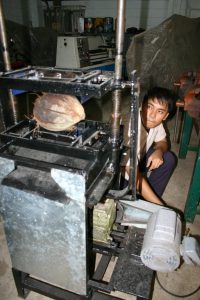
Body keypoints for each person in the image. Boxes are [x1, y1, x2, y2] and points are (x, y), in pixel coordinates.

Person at [122, 86, 177, 205]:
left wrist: (159, 151)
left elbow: (162, 141)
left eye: (160, 111)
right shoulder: (131, 126)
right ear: (142, 105)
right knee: (123, 203)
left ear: (165, 116)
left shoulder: (156, 123)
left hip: (139, 158)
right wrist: (162, 206)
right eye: (149, 107)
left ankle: (150, 202)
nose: (152, 115)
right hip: (120, 172)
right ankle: (153, 202)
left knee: (168, 158)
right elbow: (131, 171)